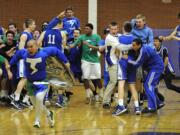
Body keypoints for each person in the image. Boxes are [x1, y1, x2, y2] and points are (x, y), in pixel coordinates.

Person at [10, 39, 69, 128]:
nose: (29, 49)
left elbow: (56, 51)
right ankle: (49, 114)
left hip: (43, 81)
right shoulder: (23, 53)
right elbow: (16, 56)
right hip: (30, 82)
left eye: (31, 46)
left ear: (36, 46)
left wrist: (66, 61)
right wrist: (9, 65)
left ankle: (37, 121)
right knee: (37, 104)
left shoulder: (44, 52)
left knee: (39, 98)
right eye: (28, 47)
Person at [122, 38, 164, 113]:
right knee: (148, 85)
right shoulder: (142, 48)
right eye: (132, 45)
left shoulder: (143, 51)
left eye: (134, 45)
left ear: (139, 45)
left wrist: (127, 59)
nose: (132, 47)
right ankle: (158, 103)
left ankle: (152, 107)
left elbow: (136, 64)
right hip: (153, 68)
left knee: (148, 85)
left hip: (156, 68)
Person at [70, 23, 104, 103]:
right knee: (85, 78)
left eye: (88, 29)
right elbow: (73, 45)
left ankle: (102, 95)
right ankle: (88, 96)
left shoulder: (97, 37)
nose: (86, 30)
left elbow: (100, 48)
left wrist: (90, 46)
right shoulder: (82, 37)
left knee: (98, 78)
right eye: (85, 29)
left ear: (92, 29)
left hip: (95, 60)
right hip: (85, 60)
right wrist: (67, 47)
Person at [112, 22, 141, 116]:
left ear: (123, 28)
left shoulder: (119, 38)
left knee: (121, 84)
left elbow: (117, 52)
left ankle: (120, 106)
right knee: (132, 86)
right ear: (131, 29)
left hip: (123, 62)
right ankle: (137, 107)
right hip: (132, 63)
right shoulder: (134, 39)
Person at [10, 19, 36, 109]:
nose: (35, 26)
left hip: (27, 59)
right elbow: (21, 48)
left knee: (30, 79)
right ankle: (15, 98)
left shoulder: (29, 34)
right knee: (24, 78)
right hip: (22, 59)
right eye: (34, 24)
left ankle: (24, 99)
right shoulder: (25, 34)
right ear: (29, 25)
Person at [102, 22, 120, 109]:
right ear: (110, 29)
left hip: (117, 62)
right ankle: (106, 101)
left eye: (115, 29)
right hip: (111, 62)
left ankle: (116, 101)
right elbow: (120, 47)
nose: (114, 31)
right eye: (112, 29)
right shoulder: (109, 38)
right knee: (112, 82)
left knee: (115, 82)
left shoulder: (117, 36)